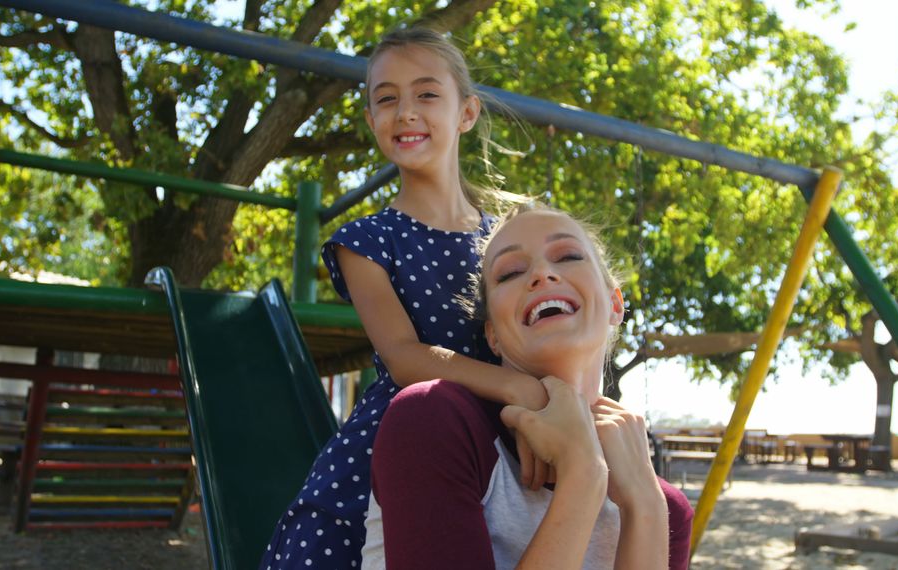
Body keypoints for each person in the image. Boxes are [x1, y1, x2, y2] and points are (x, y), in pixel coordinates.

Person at [260, 28, 552, 570]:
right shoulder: (366, 241)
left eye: (426, 94)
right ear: (371, 120)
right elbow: (404, 356)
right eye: (386, 98)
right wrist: (522, 390)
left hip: (489, 451)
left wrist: (541, 405)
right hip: (388, 451)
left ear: (466, 113)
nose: (405, 111)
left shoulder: (506, 242)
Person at [362, 202, 694, 569]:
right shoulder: (431, 420)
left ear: (616, 304)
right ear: (493, 336)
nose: (541, 274)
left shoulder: (665, 507)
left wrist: (645, 508)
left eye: (567, 256)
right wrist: (583, 474)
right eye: (510, 273)